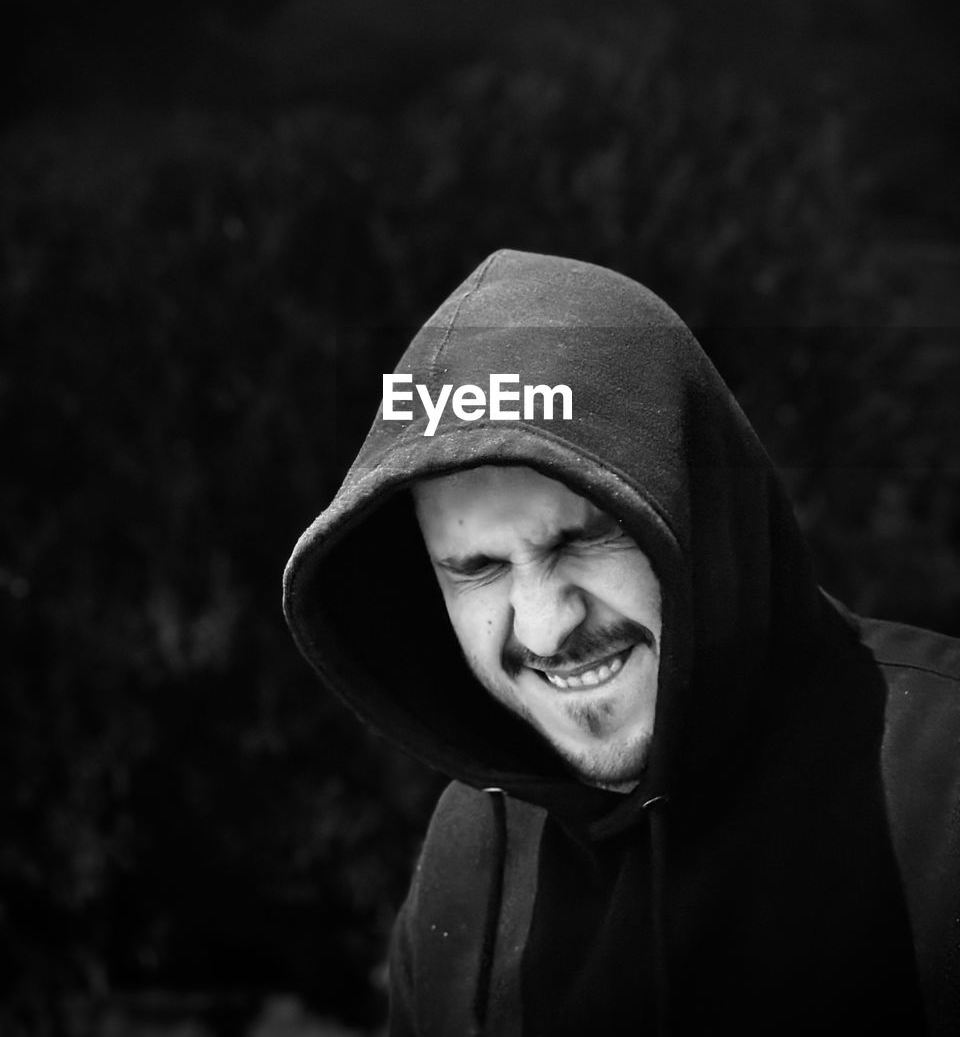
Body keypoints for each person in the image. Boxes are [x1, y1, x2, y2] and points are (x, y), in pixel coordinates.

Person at [282, 249, 960, 1036]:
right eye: (478, 570)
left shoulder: (943, 784)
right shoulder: (472, 860)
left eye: (586, 538)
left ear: (700, 514)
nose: (543, 625)